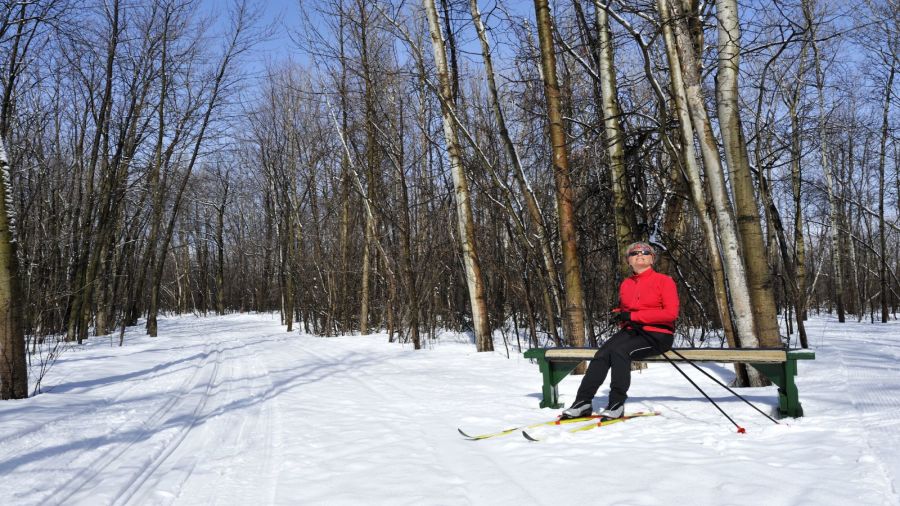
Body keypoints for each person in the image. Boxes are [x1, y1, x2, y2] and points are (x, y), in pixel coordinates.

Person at [561, 241, 680, 420]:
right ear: (628, 261)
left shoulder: (664, 281)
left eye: (645, 252)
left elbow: (670, 314)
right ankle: (582, 402)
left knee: (619, 351)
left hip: (658, 334)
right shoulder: (626, 284)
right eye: (634, 253)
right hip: (632, 331)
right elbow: (629, 311)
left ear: (652, 259)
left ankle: (616, 404)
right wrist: (621, 315)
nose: (640, 254)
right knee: (602, 353)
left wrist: (633, 317)